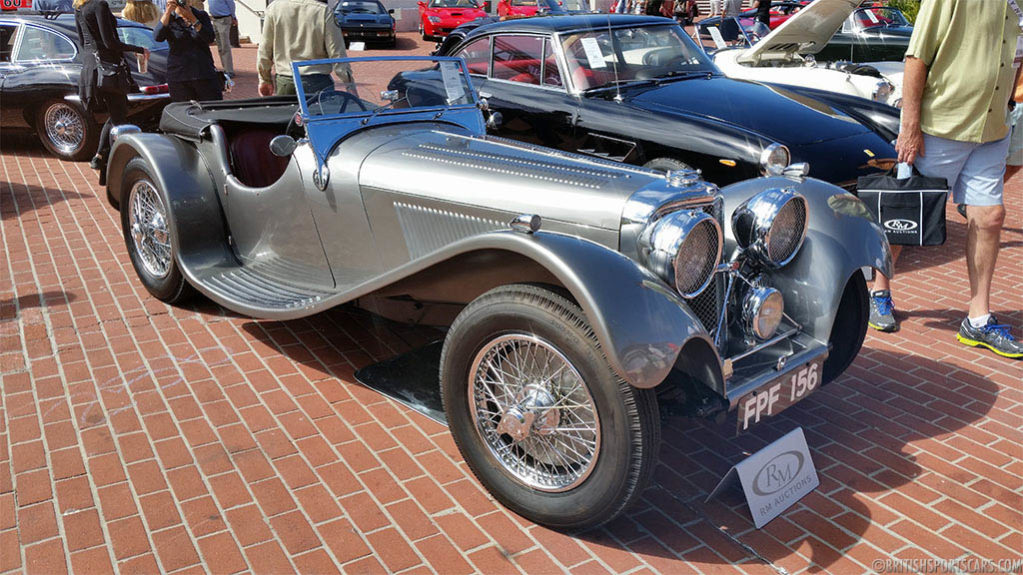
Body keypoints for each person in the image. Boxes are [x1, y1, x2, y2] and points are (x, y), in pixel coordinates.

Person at [877, 0, 1022, 359]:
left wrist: (1007, 101)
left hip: (991, 127)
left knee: (990, 217)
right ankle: (877, 291)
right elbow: (916, 58)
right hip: (942, 126)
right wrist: (910, 127)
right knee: (909, 211)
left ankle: (978, 318)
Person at [74, 0, 148, 171]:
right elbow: (109, 42)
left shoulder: (79, 8)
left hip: (91, 68)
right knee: (119, 115)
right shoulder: (100, 5)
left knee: (117, 113)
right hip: (108, 68)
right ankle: (114, 159)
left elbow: (82, 42)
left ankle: (100, 156)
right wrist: (137, 48)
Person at [256, 0, 352, 97]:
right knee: (320, 111)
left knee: (286, 112)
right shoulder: (323, 11)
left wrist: (264, 79)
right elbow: (337, 54)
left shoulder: (274, 8)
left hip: (286, 79)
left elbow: (265, 49)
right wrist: (349, 85)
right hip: (317, 80)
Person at [154, 0, 223, 101]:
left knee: (211, 110)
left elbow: (209, 38)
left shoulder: (201, 15)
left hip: (203, 72)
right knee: (183, 112)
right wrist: (168, 11)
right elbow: (157, 37)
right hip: (179, 75)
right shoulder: (169, 19)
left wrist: (192, 18)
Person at [206, 0, 235, 79]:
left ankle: (229, 71)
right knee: (220, 47)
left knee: (225, 46)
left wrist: (233, 17)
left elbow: (231, 4)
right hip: (215, 19)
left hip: (224, 19)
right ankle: (225, 69)